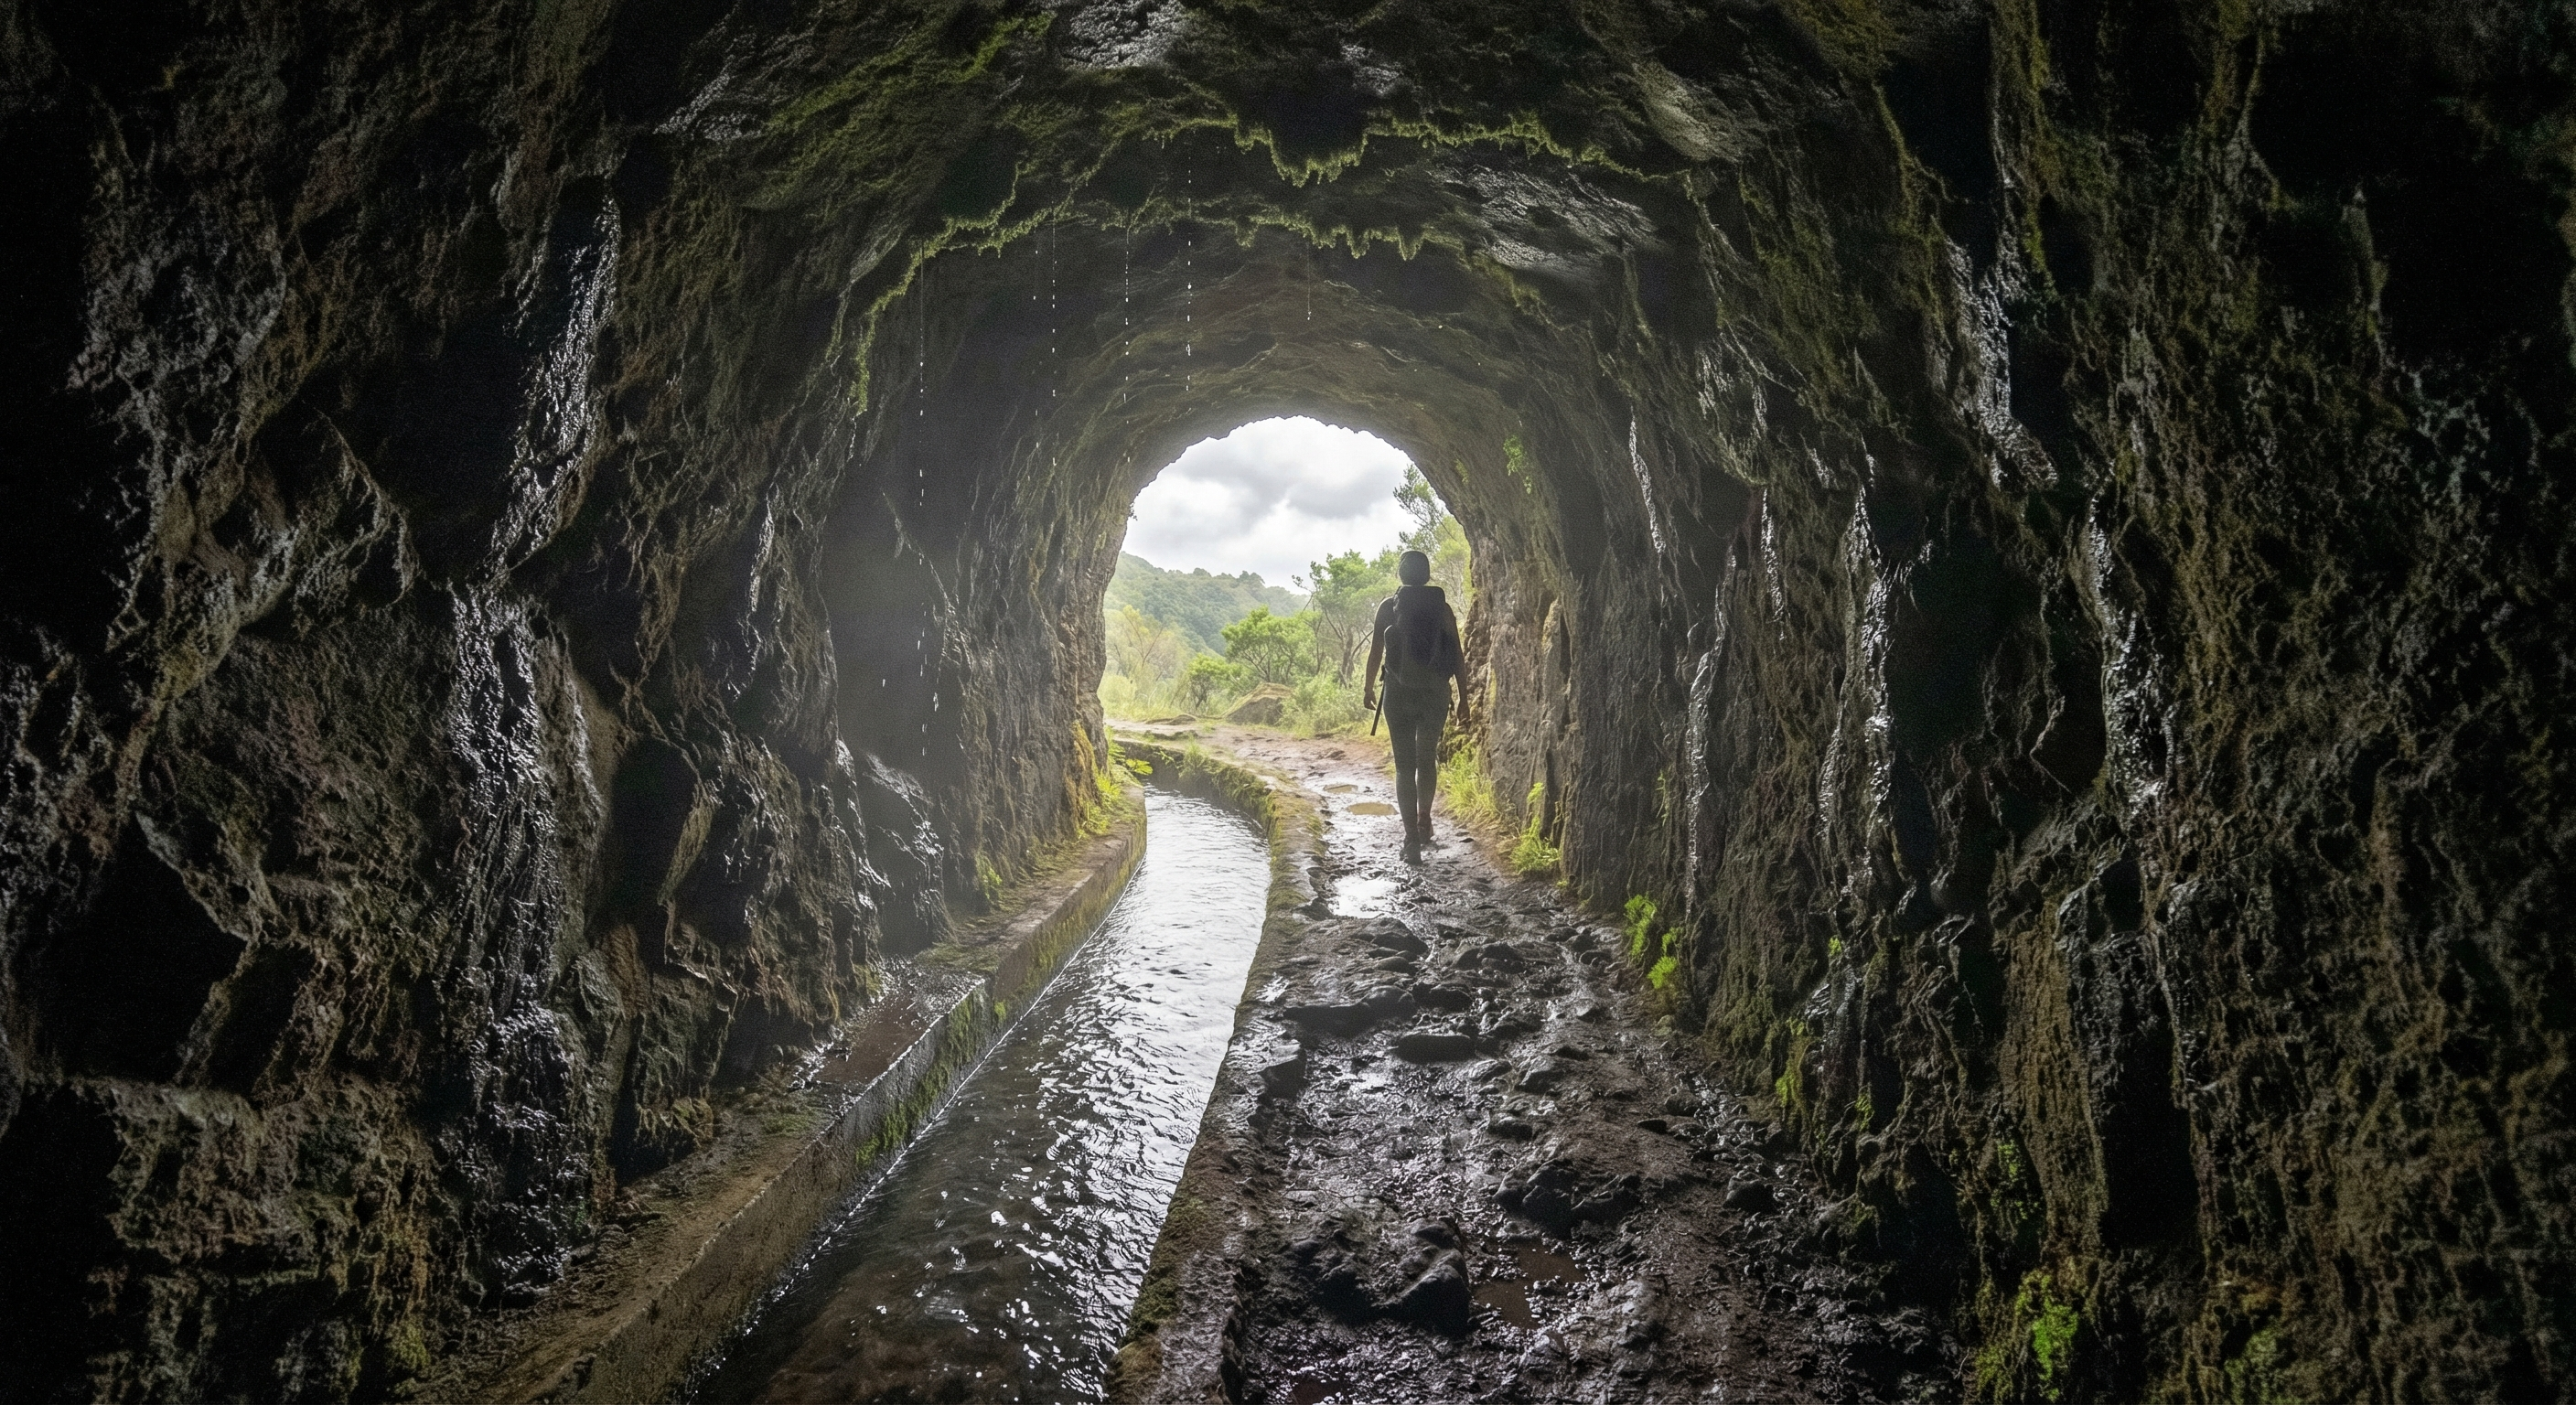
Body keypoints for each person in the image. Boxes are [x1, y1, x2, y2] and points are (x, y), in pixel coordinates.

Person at [1362, 549, 1466, 858]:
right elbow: (1457, 655)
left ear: (1401, 573)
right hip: (1435, 693)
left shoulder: (1388, 606)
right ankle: (1424, 821)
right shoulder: (1442, 609)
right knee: (1427, 758)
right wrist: (1464, 699)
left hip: (1398, 693)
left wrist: (1368, 687)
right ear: (1427, 573)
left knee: (1404, 767)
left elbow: (1376, 651)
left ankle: (1410, 841)